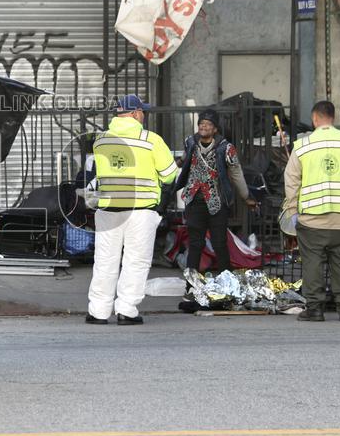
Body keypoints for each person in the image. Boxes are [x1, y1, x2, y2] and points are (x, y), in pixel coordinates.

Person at [86, 94, 179, 326]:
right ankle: (127, 310)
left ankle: (98, 311)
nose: (144, 115)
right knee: (135, 261)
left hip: (108, 210)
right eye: (142, 112)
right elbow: (169, 175)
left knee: (105, 260)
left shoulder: (100, 141)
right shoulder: (151, 140)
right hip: (140, 210)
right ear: (136, 113)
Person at [283, 100, 340, 322]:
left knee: (312, 263)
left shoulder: (302, 146)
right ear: (334, 117)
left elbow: (291, 181)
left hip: (312, 221)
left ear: (314, 118)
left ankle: (315, 309)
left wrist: (293, 210)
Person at [177, 109, 257, 274]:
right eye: (201, 123)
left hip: (217, 202)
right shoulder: (190, 142)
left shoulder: (226, 148)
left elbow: (236, 173)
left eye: (208, 124)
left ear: (215, 129)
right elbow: (184, 160)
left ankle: (225, 281)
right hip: (194, 201)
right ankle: (191, 285)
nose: (204, 126)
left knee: (220, 243)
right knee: (195, 244)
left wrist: (246, 197)